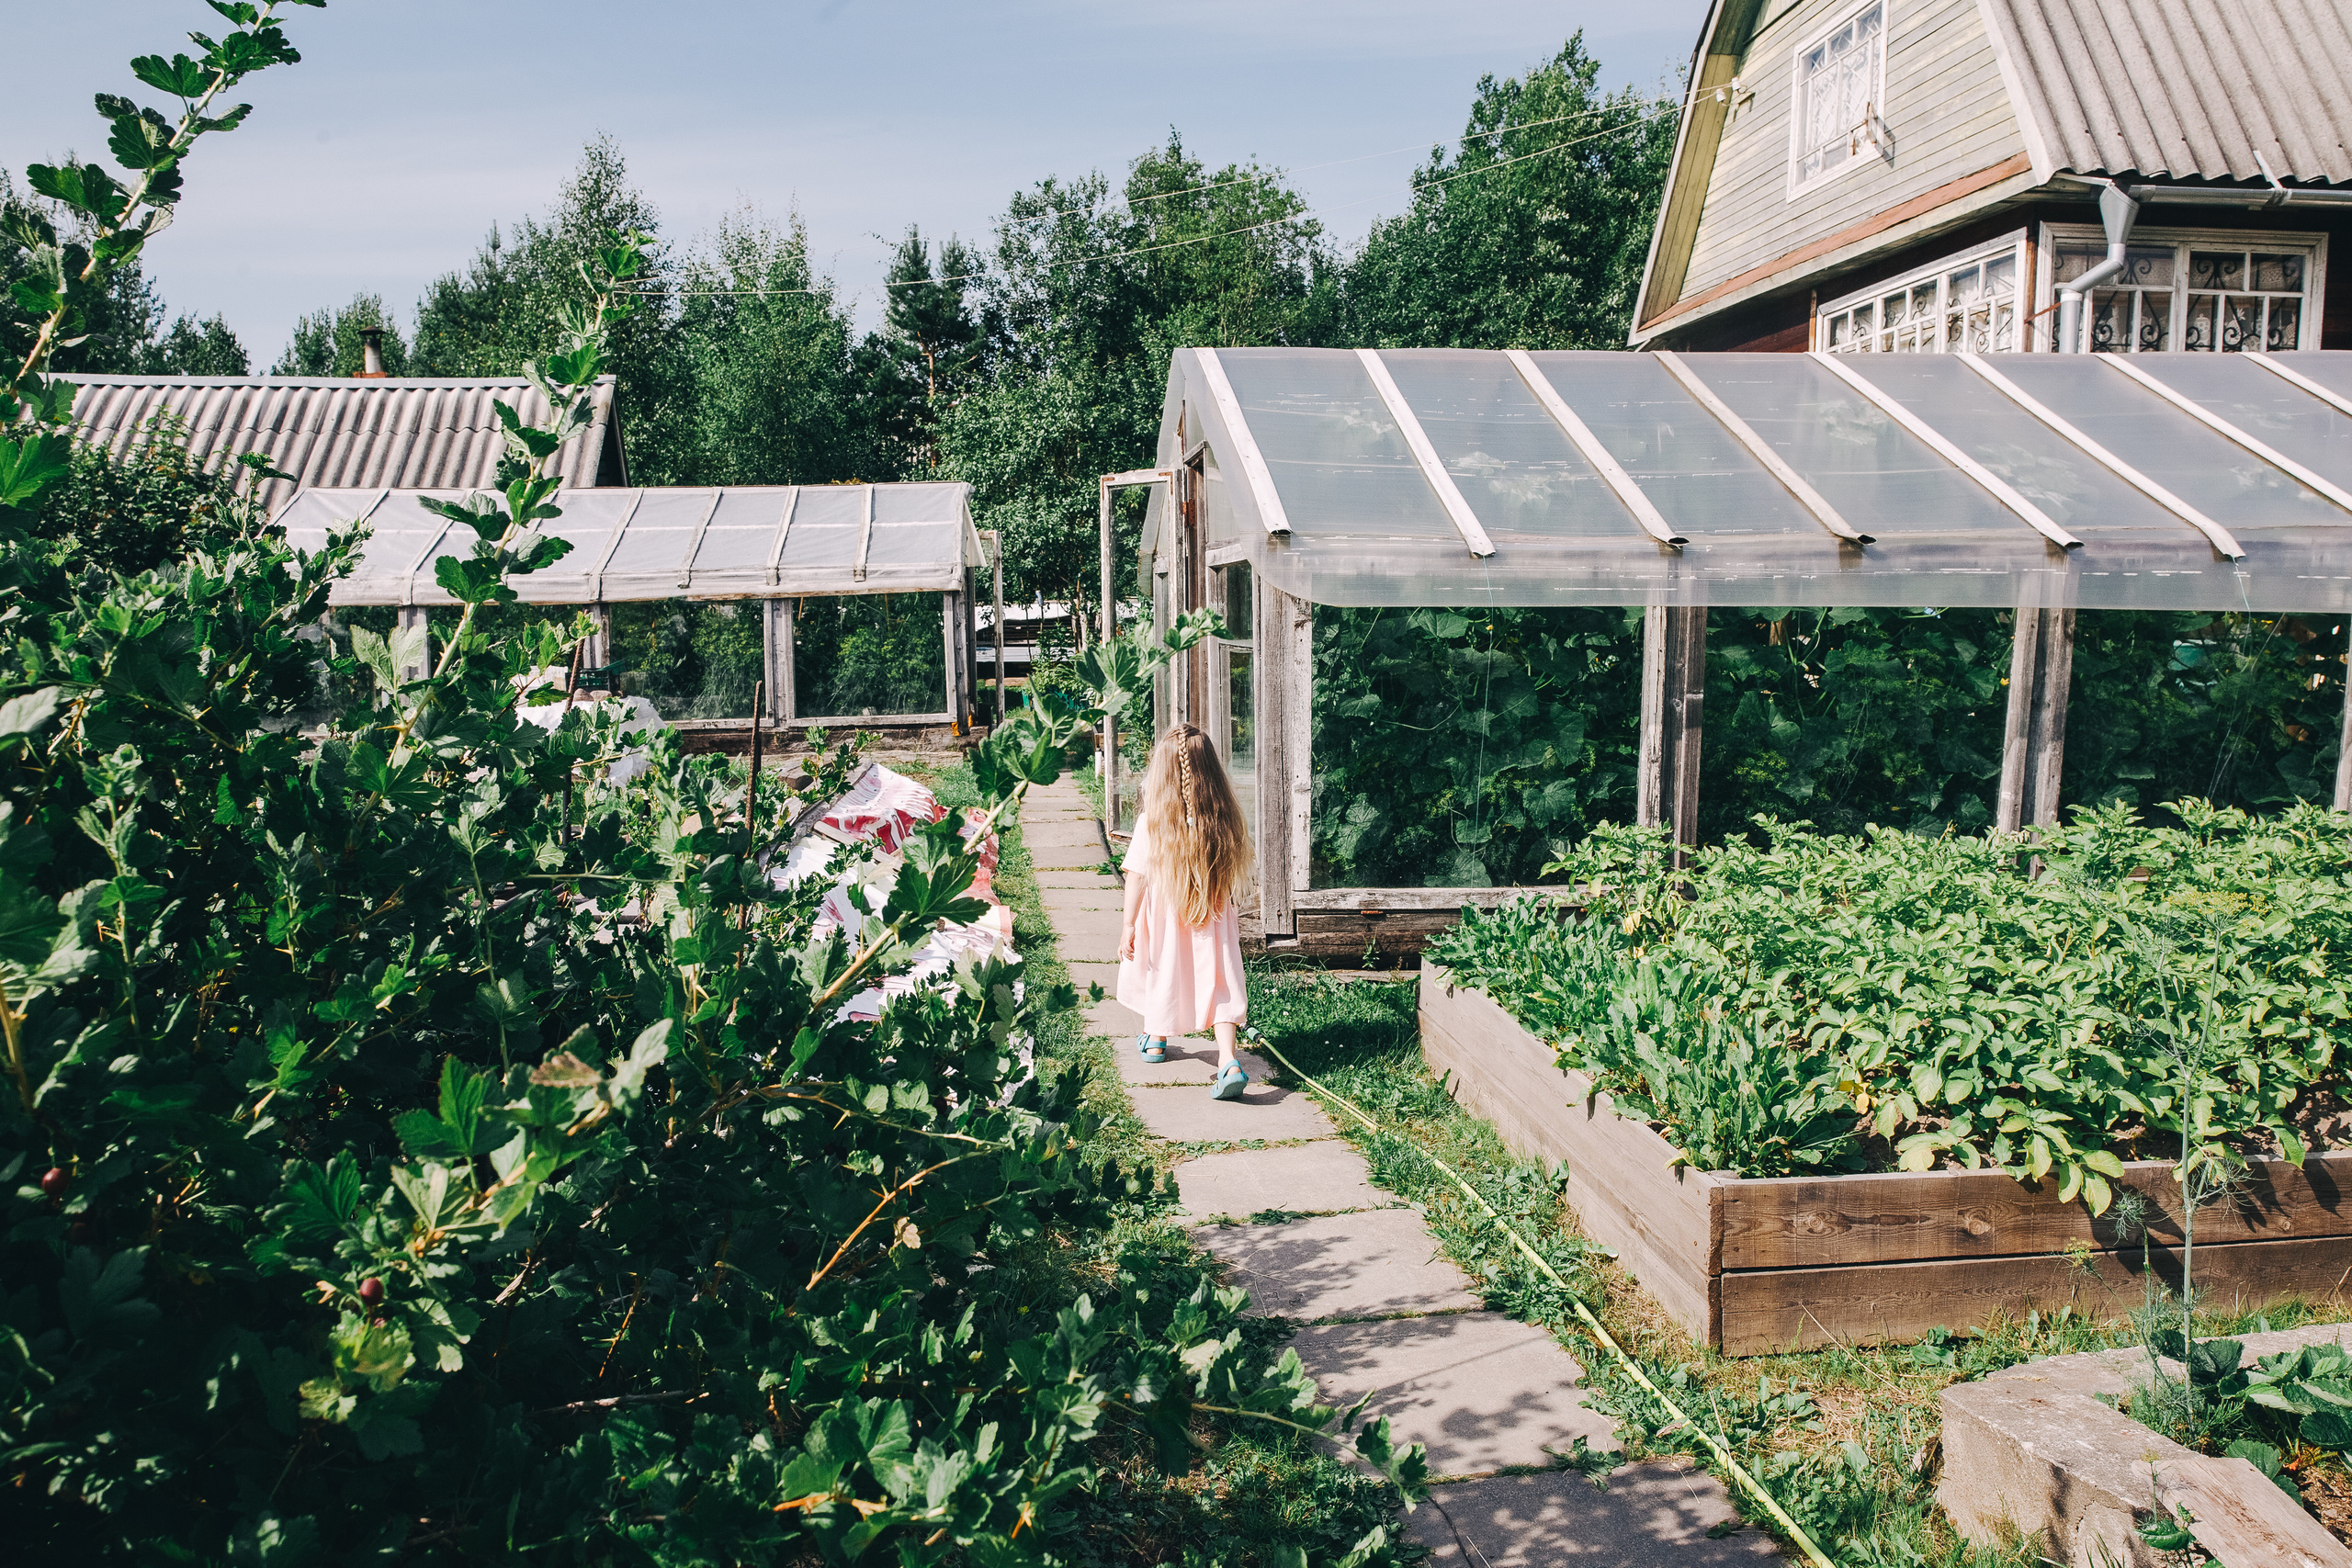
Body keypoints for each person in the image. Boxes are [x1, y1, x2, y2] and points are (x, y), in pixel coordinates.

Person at [1116, 723, 1255, 1100]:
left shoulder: (1153, 821)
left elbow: (1136, 876)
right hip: (1213, 915)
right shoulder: (1223, 818)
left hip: (1165, 919)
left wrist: (1128, 924)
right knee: (1222, 982)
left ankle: (1155, 1039)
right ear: (1212, 772)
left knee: (1162, 971)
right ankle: (1228, 1060)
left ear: (1161, 774)